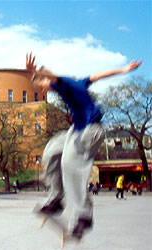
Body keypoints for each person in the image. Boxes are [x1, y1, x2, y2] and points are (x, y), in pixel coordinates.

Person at [26, 52, 142, 239]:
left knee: (69, 164)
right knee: (51, 150)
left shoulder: (61, 84)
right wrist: (124, 69)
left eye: (43, 88)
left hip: (91, 131)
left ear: (46, 81)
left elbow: (53, 77)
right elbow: (99, 76)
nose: (46, 91)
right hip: (77, 130)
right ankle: (56, 200)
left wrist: (38, 72)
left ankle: (83, 216)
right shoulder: (79, 82)